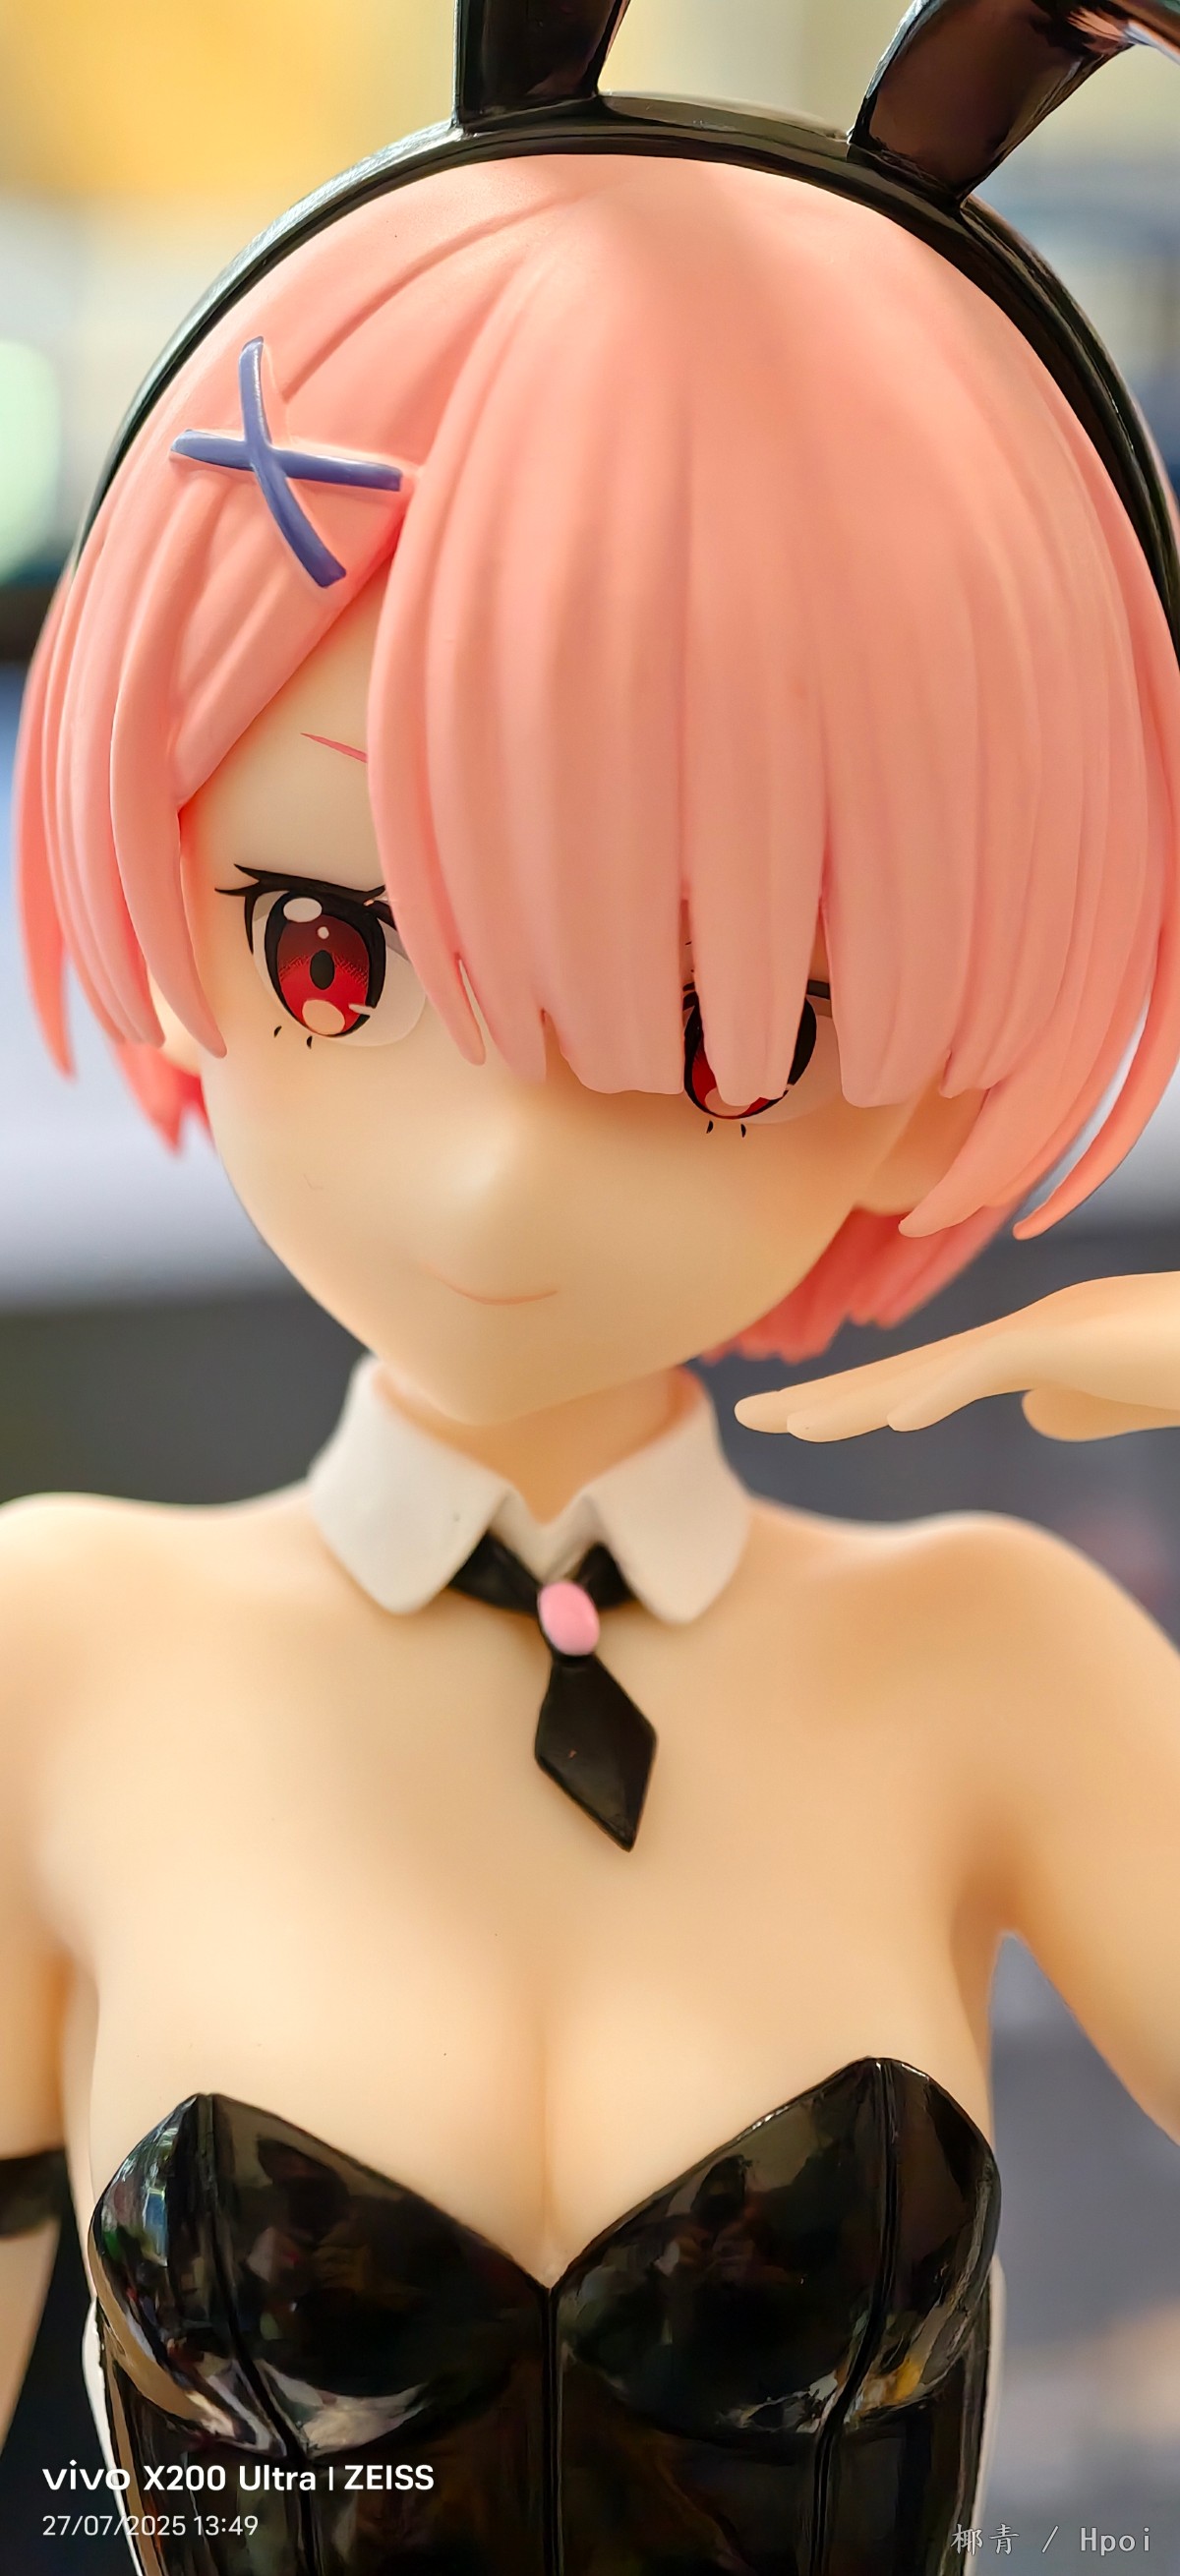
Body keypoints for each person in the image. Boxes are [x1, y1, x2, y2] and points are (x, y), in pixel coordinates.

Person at [3, 2, 1180, 2567]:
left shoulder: (994, 1668)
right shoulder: (49, 1662)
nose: (498, 1171)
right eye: (329, 943)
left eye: (718, 1027)